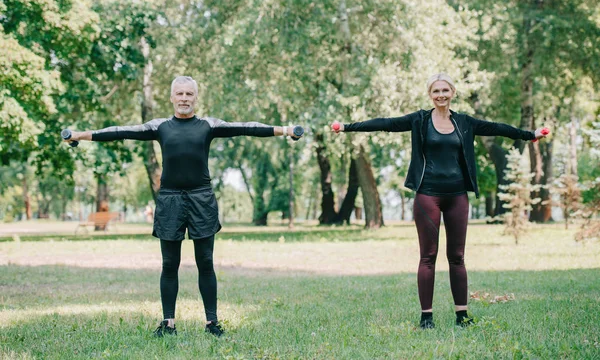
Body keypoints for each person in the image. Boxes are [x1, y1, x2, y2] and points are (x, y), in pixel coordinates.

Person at [64, 76, 303, 337]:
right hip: (169, 200)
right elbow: (121, 131)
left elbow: (246, 127)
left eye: (189, 94)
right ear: (171, 97)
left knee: (206, 262)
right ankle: (168, 323)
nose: (184, 98)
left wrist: (285, 130)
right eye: (179, 94)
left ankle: (212, 323)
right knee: (169, 264)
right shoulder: (160, 126)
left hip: (202, 198)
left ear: (196, 98)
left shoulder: (208, 125)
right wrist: (80, 136)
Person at [331, 73, 547, 329]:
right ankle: (426, 317)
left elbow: (497, 127)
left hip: (457, 196)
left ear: (452, 92)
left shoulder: (465, 123)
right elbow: (386, 123)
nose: (441, 95)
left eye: (445, 90)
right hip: (428, 195)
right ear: (430, 95)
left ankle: (462, 315)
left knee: (457, 257)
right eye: (436, 91)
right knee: (428, 257)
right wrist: (347, 127)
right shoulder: (419, 120)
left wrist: (529, 134)